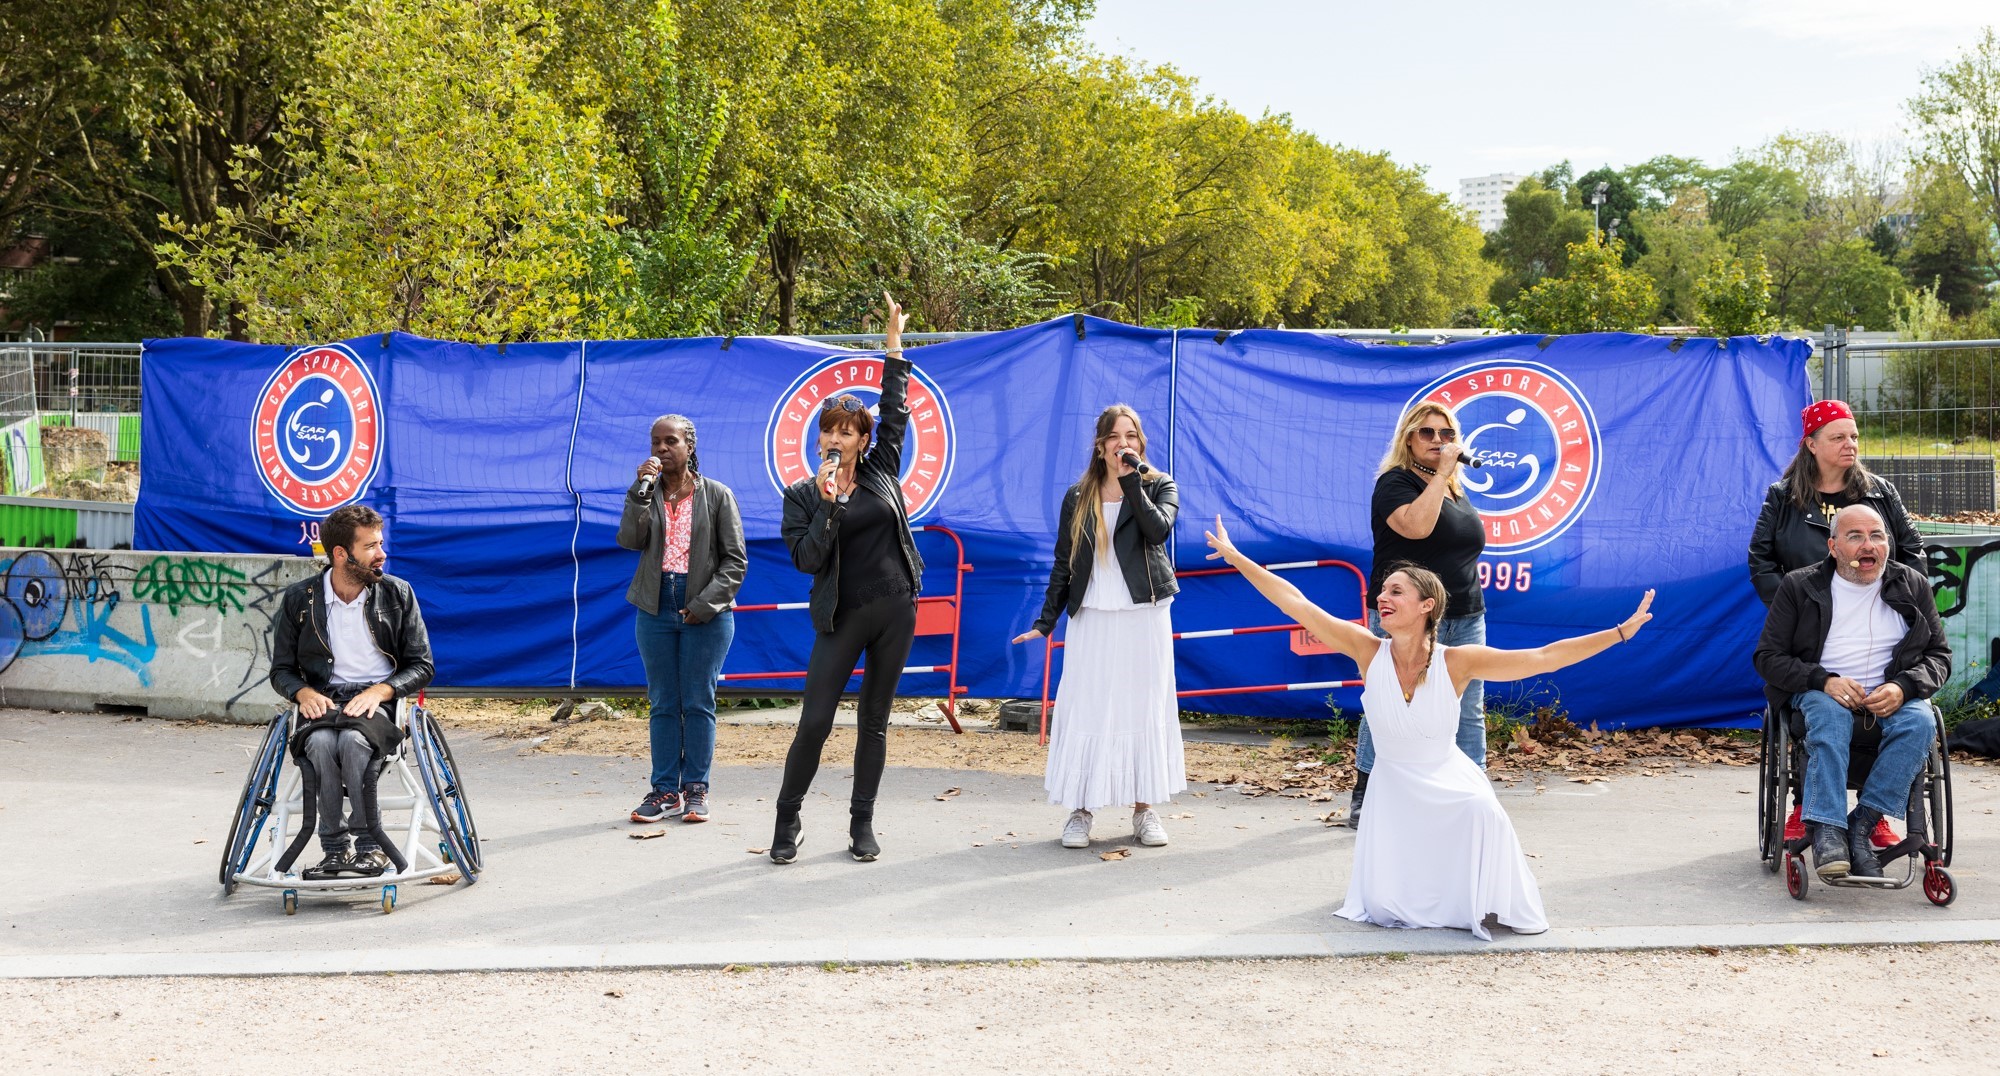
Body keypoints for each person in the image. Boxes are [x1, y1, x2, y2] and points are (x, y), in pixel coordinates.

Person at [1205, 516, 1653, 939]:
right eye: (1382, 591)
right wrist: (1237, 557)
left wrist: (1619, 633)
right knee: (1385, 906)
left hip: (1446, 774)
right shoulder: (1367, 650)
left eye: (1396, 592)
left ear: (1426, 606)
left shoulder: (1457, 660)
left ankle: (1477, 897)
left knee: (1484, 810)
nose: (1383, 597)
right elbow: (1296, 603)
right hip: (1392, 785)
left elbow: (1543, 657)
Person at [771, 292, 926, 865]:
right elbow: (808, 561)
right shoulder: (802, 496)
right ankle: (788, 819)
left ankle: (862, 823)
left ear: (861, 439)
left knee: (875, 724)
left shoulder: (884, 469)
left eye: (846, 431)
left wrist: (892, 347)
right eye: (827, 431)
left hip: (896, 609)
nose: (836, 439)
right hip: (841, 617)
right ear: (819, 440)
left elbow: (895, 411)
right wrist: (831, 506)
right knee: (814, 723)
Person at [1748, 398, 1926, 848]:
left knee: (1903, 715)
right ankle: (1809, 811)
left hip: (1875, 612)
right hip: (1808, 633)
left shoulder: (1880, 493)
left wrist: (1897, 595)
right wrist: (1798, 607)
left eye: (1854, 437)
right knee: (1822, 713)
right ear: (1811, 444)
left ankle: (1875, 814)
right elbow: (1761, 560)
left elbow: (1913, 551)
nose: (1851, 445)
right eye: (1838, 437)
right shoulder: (1783, 496)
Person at [1012, 405, 1185, 850]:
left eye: (1132, 436)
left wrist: (1132, 482)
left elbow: (1157, 530)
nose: (1123, 444)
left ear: (1140, 444)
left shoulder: (1159, 485)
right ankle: (1081, 810)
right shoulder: (1078, 495)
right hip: (1091, 613)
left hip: (1143, 613)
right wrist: (1045, 621)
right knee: (1088, 707)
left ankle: (1144, 809)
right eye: (1115, 437)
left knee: (1142, 708)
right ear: (1100, 444)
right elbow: (1063, 562)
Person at [1753, 504, 1950, 881]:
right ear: (1832, 546)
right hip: (1820, 691)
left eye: (1877, 536)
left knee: (1921, 721)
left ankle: (1862, 824)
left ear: (1888, 544)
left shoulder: (1911, 584)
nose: (1868, 545)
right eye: (1855, 536)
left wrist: (1903, 685)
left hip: (1889, 695)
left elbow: (1938, 656)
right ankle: (1827, 828)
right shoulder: (1800, 585)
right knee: (1828, 714)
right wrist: (1823, 680)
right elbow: (1768, 657)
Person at [268, 504, 435, 881]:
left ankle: (368, 846)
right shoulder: (301, 599)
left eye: (381, 543)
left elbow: (422, 665)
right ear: (342, 554)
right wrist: (302, 693)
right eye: (371, 546)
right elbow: (280, 670)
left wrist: (382, 691)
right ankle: (334, 848)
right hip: (324, 698)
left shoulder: (396, 594)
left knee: (354, 744)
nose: (382, 554)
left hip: (376, 701)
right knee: (323, 743)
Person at [1350, 402, 1488, 830]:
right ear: (1408, 439)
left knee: (1467, 708)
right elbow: (1417, 528)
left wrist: (1447, 478)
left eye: (1446, 434)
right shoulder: (1395, 482)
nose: (1437, 441)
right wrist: (1443, 474)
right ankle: (1367, 793)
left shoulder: (1455, 489)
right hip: (1409, 617)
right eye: (1426, 433)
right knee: (1391, 704)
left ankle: (1472, 795)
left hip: (1464, 612)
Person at [617, 413, 747, 826]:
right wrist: (640, 494)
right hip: (655, 605)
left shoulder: (717, 495)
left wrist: (705, 604)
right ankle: (663, 791)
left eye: (670, 442)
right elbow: (630, 540)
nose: (661, 450)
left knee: (697, 701)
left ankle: (695, 789)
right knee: (663, 702)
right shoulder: (646, 492)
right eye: (656, 442)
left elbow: (735, 562)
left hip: (704, 609)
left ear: (690, 446)